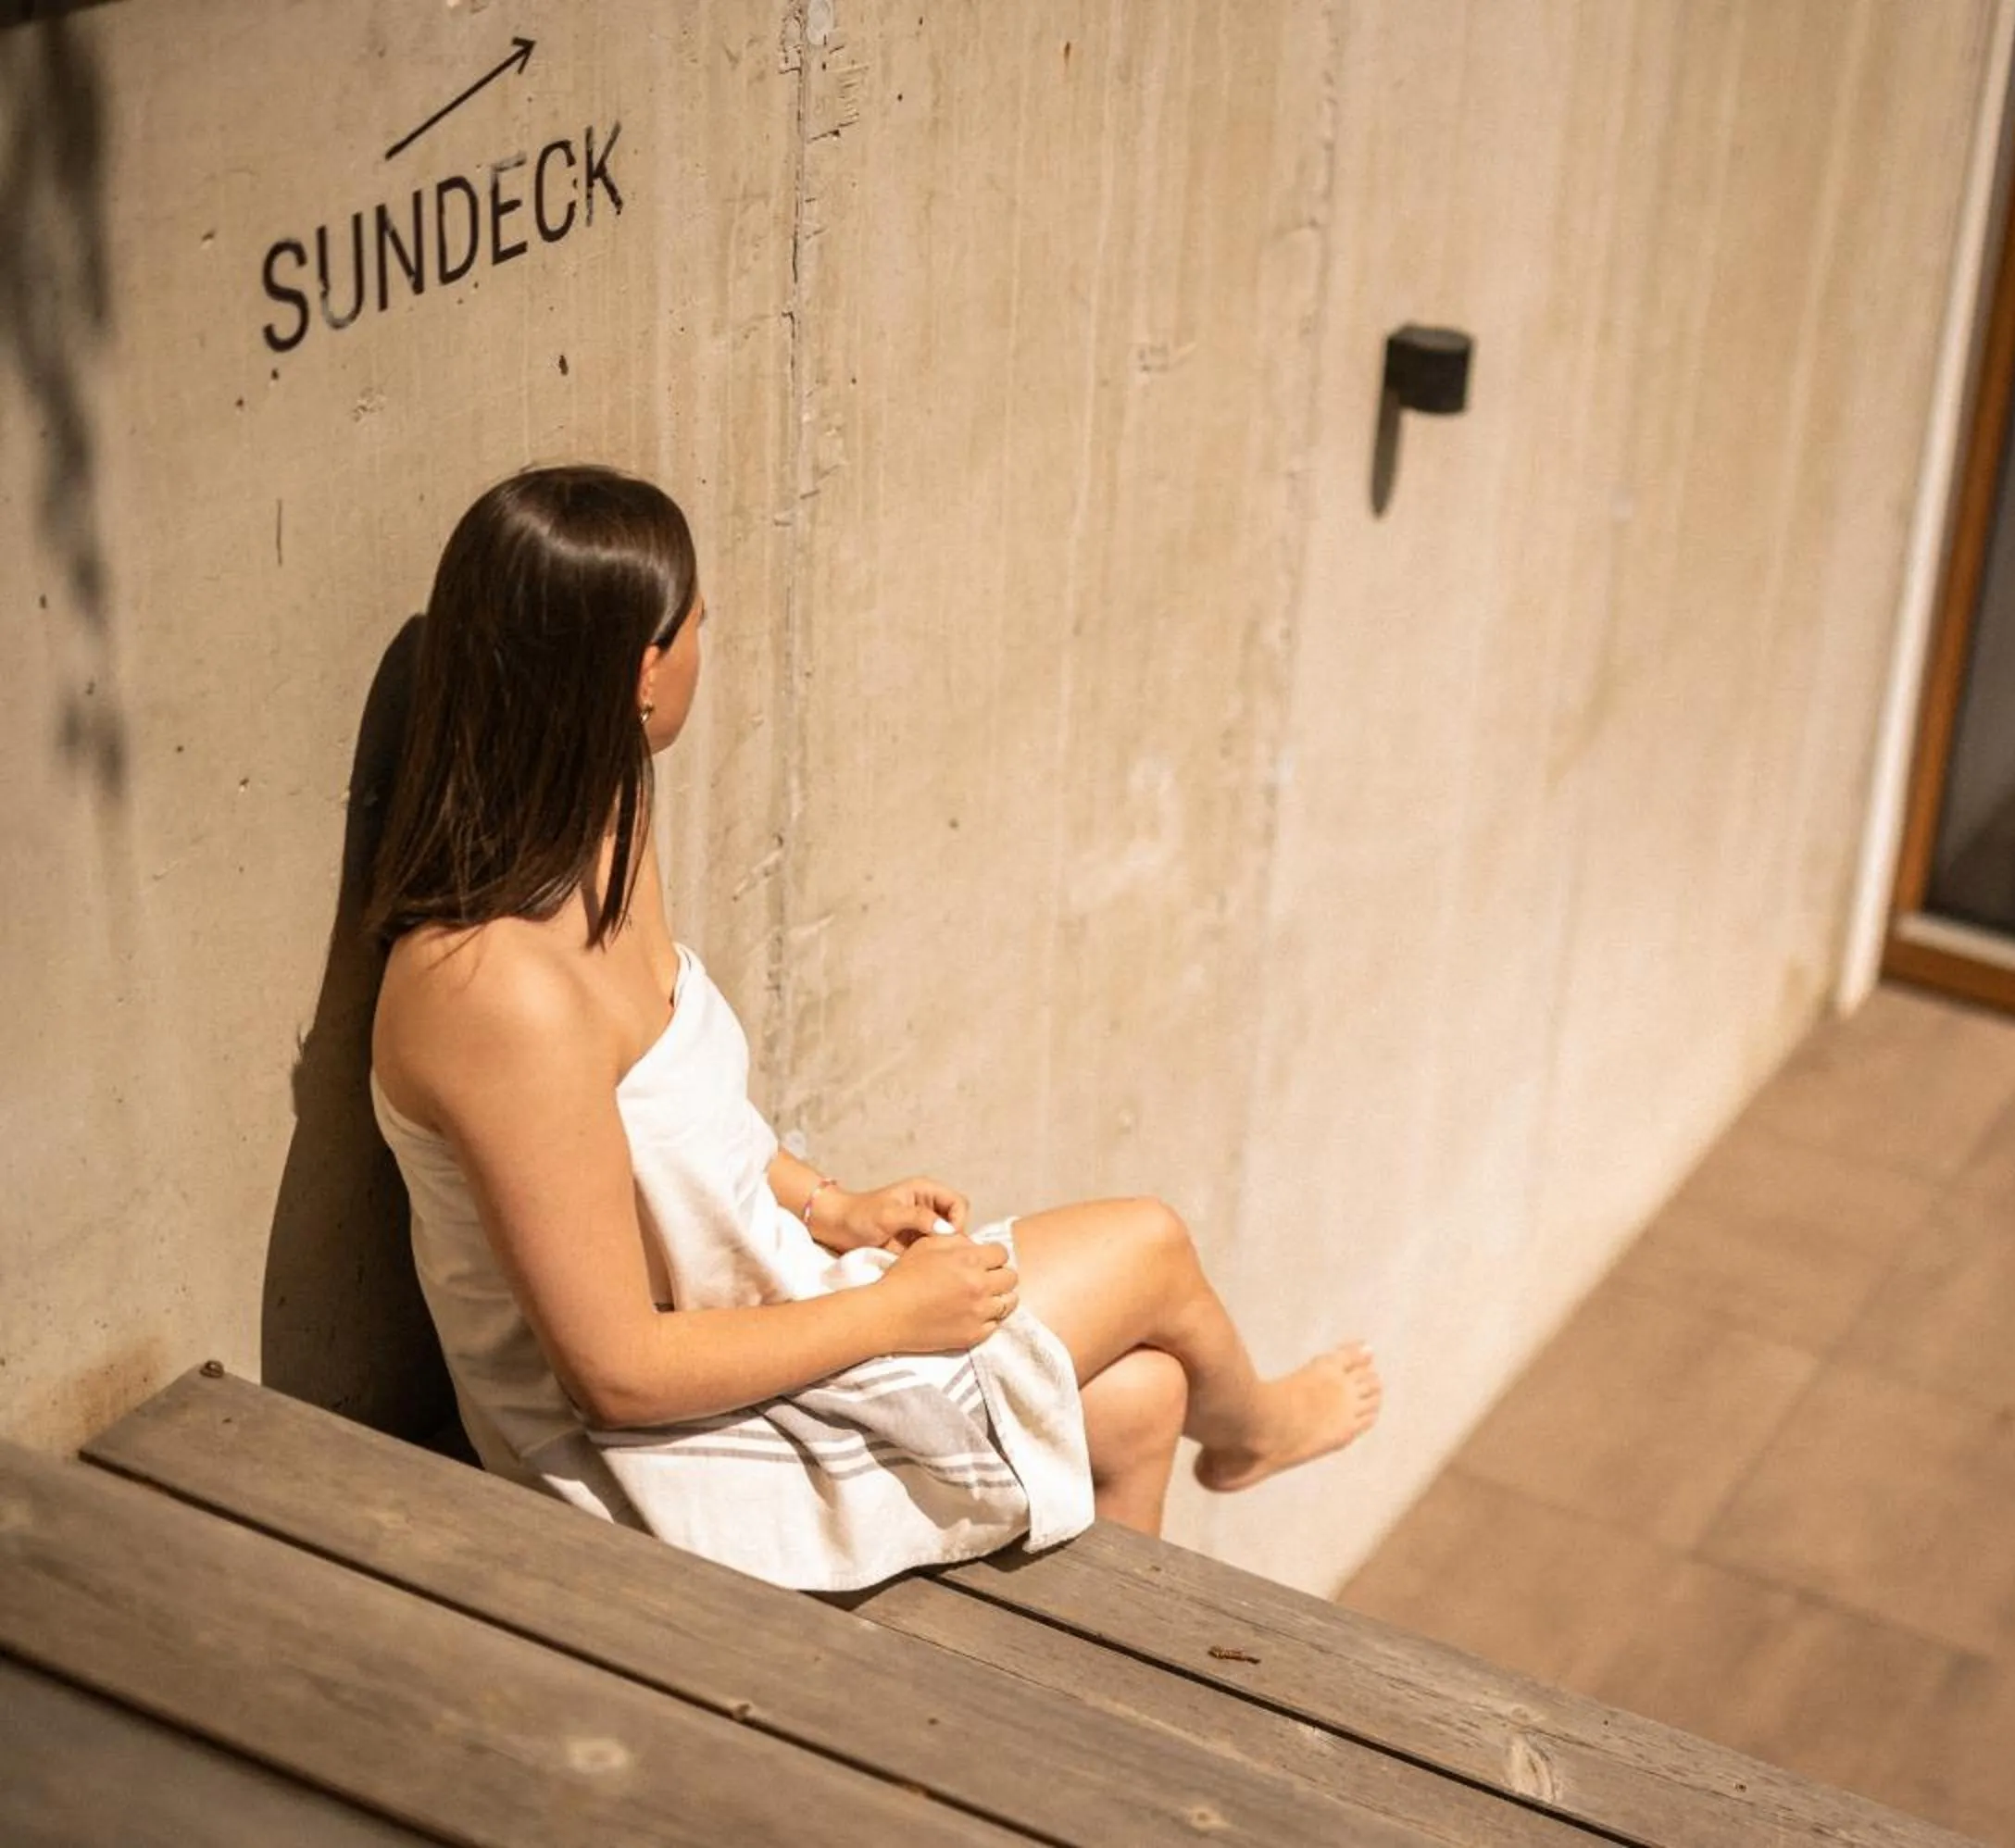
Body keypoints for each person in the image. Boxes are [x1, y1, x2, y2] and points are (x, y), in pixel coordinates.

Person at [364, 465, 1377, 1578]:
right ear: (642, 676)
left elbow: (684, 1126)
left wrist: (830, 1204)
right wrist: (895, 1315)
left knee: (1143, 1398)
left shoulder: (605, 833)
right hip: (650, 1460)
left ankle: (1076, 1712)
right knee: (1150, 1246)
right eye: (698, 623)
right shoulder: (495, 994)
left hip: (751, 1317)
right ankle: (1260, 1431)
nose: (711, 638)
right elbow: (616, 1369)